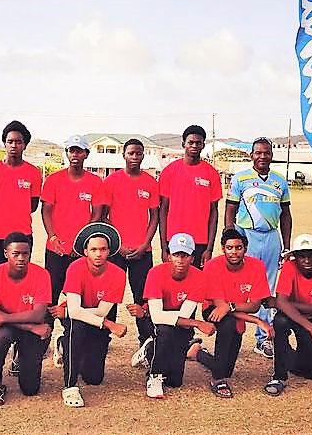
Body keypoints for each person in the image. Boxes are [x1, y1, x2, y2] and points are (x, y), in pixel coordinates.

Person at [225, 137, 292, 358]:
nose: (262, 156)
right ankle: (232, 333)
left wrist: (287, 244)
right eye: (258, 153)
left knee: (269, 289)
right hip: (247, 236)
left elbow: (286, 215)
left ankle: (263, 339)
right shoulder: (240, 178)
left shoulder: (280, 181)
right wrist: (229, 235)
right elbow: (230, 209)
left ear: (271, 155)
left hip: (271, 237)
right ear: (251, 155)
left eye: (266, 153)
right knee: (248, 287)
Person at [52, 222, 127, 408]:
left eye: (103, 249)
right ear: (85, 251)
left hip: (95, 318)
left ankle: (63, 344)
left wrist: (68, 311)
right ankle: (69, 386)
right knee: (77, 329)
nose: (98, 254)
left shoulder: (118, 274)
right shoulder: (75, 268)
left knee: (94, 378)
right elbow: (77, 312)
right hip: (81, 320)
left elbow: (101, 311)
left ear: (109, 251)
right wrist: (110, 324)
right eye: (93, 249)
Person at [192, 229, 273, 398]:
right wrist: (258, 322)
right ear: (223, 249)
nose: (234, 252)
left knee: (227, 367)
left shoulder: (256, 266)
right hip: (213, 310)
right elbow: (220, 309)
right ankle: (218, 380)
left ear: (245, 248)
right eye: (229, 248)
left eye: (238, 247)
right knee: (227, 324)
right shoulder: (212, 266)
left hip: (234, 310)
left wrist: (233, 307)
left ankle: (198, 353)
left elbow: (255, 305)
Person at [102, 138, 159, 353]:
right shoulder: (112, 181)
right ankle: (103, 337)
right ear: (124, 155)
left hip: (142, 252)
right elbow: (104, 217)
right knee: (110, 295)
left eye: (139, 154)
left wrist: (145, 244)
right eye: (131, 153)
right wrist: (117, 244)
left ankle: (146, 340)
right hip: (116, 251)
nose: (135, 157)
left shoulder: (150, 182)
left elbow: (154, 216)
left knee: (143, 296)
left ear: (143, 156)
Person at [143, 233, 216, 399]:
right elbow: (156, 317)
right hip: (159, 325)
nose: (180, 260)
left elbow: (184, 314)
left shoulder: (199, 276)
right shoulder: (155, 273)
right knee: (164, 330)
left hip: (182, 325)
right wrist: (198, 323)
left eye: (185, 255)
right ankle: (154, 376)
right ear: (169, 256)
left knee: (175, 382)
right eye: (176, 254)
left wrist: (186, 321)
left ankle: (149, 350)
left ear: (192, 258)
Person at [0, 232, 52, 406]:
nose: (21, 258)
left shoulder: (42, 275)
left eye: (25, 253)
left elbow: (38, 315)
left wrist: (2, 318)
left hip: (28, 324)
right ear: (6, 253)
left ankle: (19, 359)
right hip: (16, 327)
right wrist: (30, 327)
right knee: (0, 336)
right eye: (15, 254)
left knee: (30, 389)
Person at [264, 234, 312, 396]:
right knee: (280, 321)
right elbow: (283, 305)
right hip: (289, 317)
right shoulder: (289, 267)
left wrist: (279, 302)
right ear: (295, 257)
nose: (306, 260)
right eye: (301, 256)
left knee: (308, 372)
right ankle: (279, 377)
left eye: (310, 255)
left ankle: (284, 352)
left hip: (310, 317)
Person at [41, 135, 103, 322]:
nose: (75, 154)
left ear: (86, 154)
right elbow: (46, 212)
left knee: (79, 296)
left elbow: (97, 213)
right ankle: (44, 337)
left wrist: (83, 242)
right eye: (71, 150)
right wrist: (53, 238)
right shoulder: (54, 180)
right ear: (67, 153)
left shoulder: (95, 182)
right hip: (56, 249)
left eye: (79, 150)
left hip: (81, 251)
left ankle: (72, 335)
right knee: (51, 295)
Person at [159, 125, 222, 269]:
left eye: (198, 143)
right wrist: (164, 246)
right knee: (174, 283)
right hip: (174, 239)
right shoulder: (169, 171)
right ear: (183, 144)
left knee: (197, 285)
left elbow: (214, 213)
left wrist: (209, 248)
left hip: (200, 241)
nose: (194, 146)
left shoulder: (211, 173)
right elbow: (163, 210)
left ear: (203, 145)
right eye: (190, 142)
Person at [0, 120, 42, 268]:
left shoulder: (33, 172)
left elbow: (33, 205)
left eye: (18, 142)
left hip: (23, 234)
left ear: (25, 145)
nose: (14, 146)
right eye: (10, 141)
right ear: (4, 143)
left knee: (21, 277)